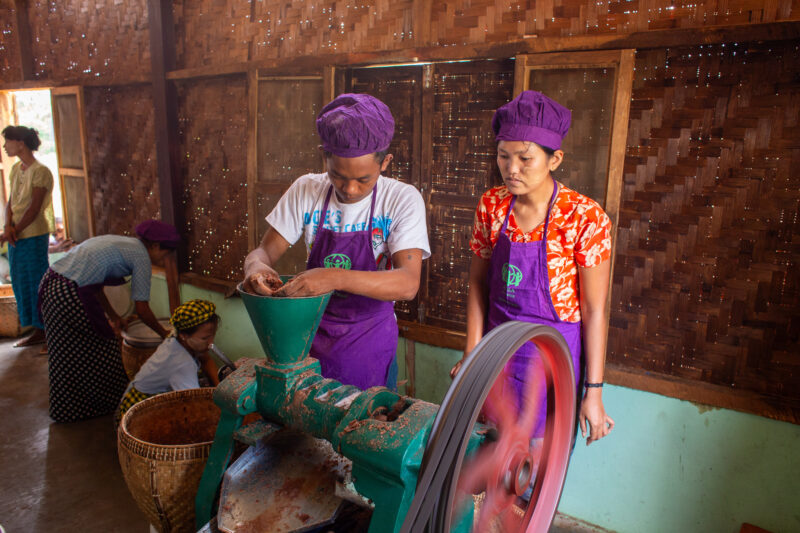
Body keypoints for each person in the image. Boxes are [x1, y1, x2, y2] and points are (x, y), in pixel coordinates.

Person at [450, 90, 614, 445]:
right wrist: (471, 355)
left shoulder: (583, 218)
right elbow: (478, 286)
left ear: (554, 160)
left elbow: (594, 309)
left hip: (551, 363)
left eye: (525, 159)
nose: (511, 169)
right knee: (486, 455)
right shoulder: (492, 206)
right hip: (496, 356)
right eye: (503, 156)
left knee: (535, 472)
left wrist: (594, 392)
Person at [242, 93, 430, 390]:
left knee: (362, 427)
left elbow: (407, 283)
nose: (351, 190)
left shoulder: (401, 200)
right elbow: (265, 250)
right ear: (323, 156)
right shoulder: (306, 190)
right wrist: (254, 265)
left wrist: (335, 278)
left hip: (368, 341)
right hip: (309, 337)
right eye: (338, 177)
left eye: (364, 180)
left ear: (386, 162)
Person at [38, 219, 179, 423]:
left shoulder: (124, 244)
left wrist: (113, 316)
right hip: (68, 294)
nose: (164, 258)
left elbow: (96, 285)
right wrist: (165, 334)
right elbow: (142, 309)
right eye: (165, 254)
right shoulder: (141, 257)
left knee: (66, 351)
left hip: (53, 287)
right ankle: (103, 405)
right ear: (155, 246)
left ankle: (68, 409)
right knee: (106, 349)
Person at [116, 299, 220, 426]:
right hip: (138, 409)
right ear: (184, 335)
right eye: (204, 338)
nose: (210, 342)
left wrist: (218, 389)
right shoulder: (182, 364)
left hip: (135, 393)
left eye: (212, 335)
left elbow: (206, 359)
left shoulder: (178, 337)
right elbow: (194, 405)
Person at [1, 126, 55, 348]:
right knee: (21, 281)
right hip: (16, 235)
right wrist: (8, 226)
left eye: (7, 142)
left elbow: (33, 209)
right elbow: (11, 202)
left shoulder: (41, 171)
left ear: (20, 143)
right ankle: (35, 328)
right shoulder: (16, 169)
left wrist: (14, 230)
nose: (4, 146)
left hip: (33, 235)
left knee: (36, 282)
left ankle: (45, 330)